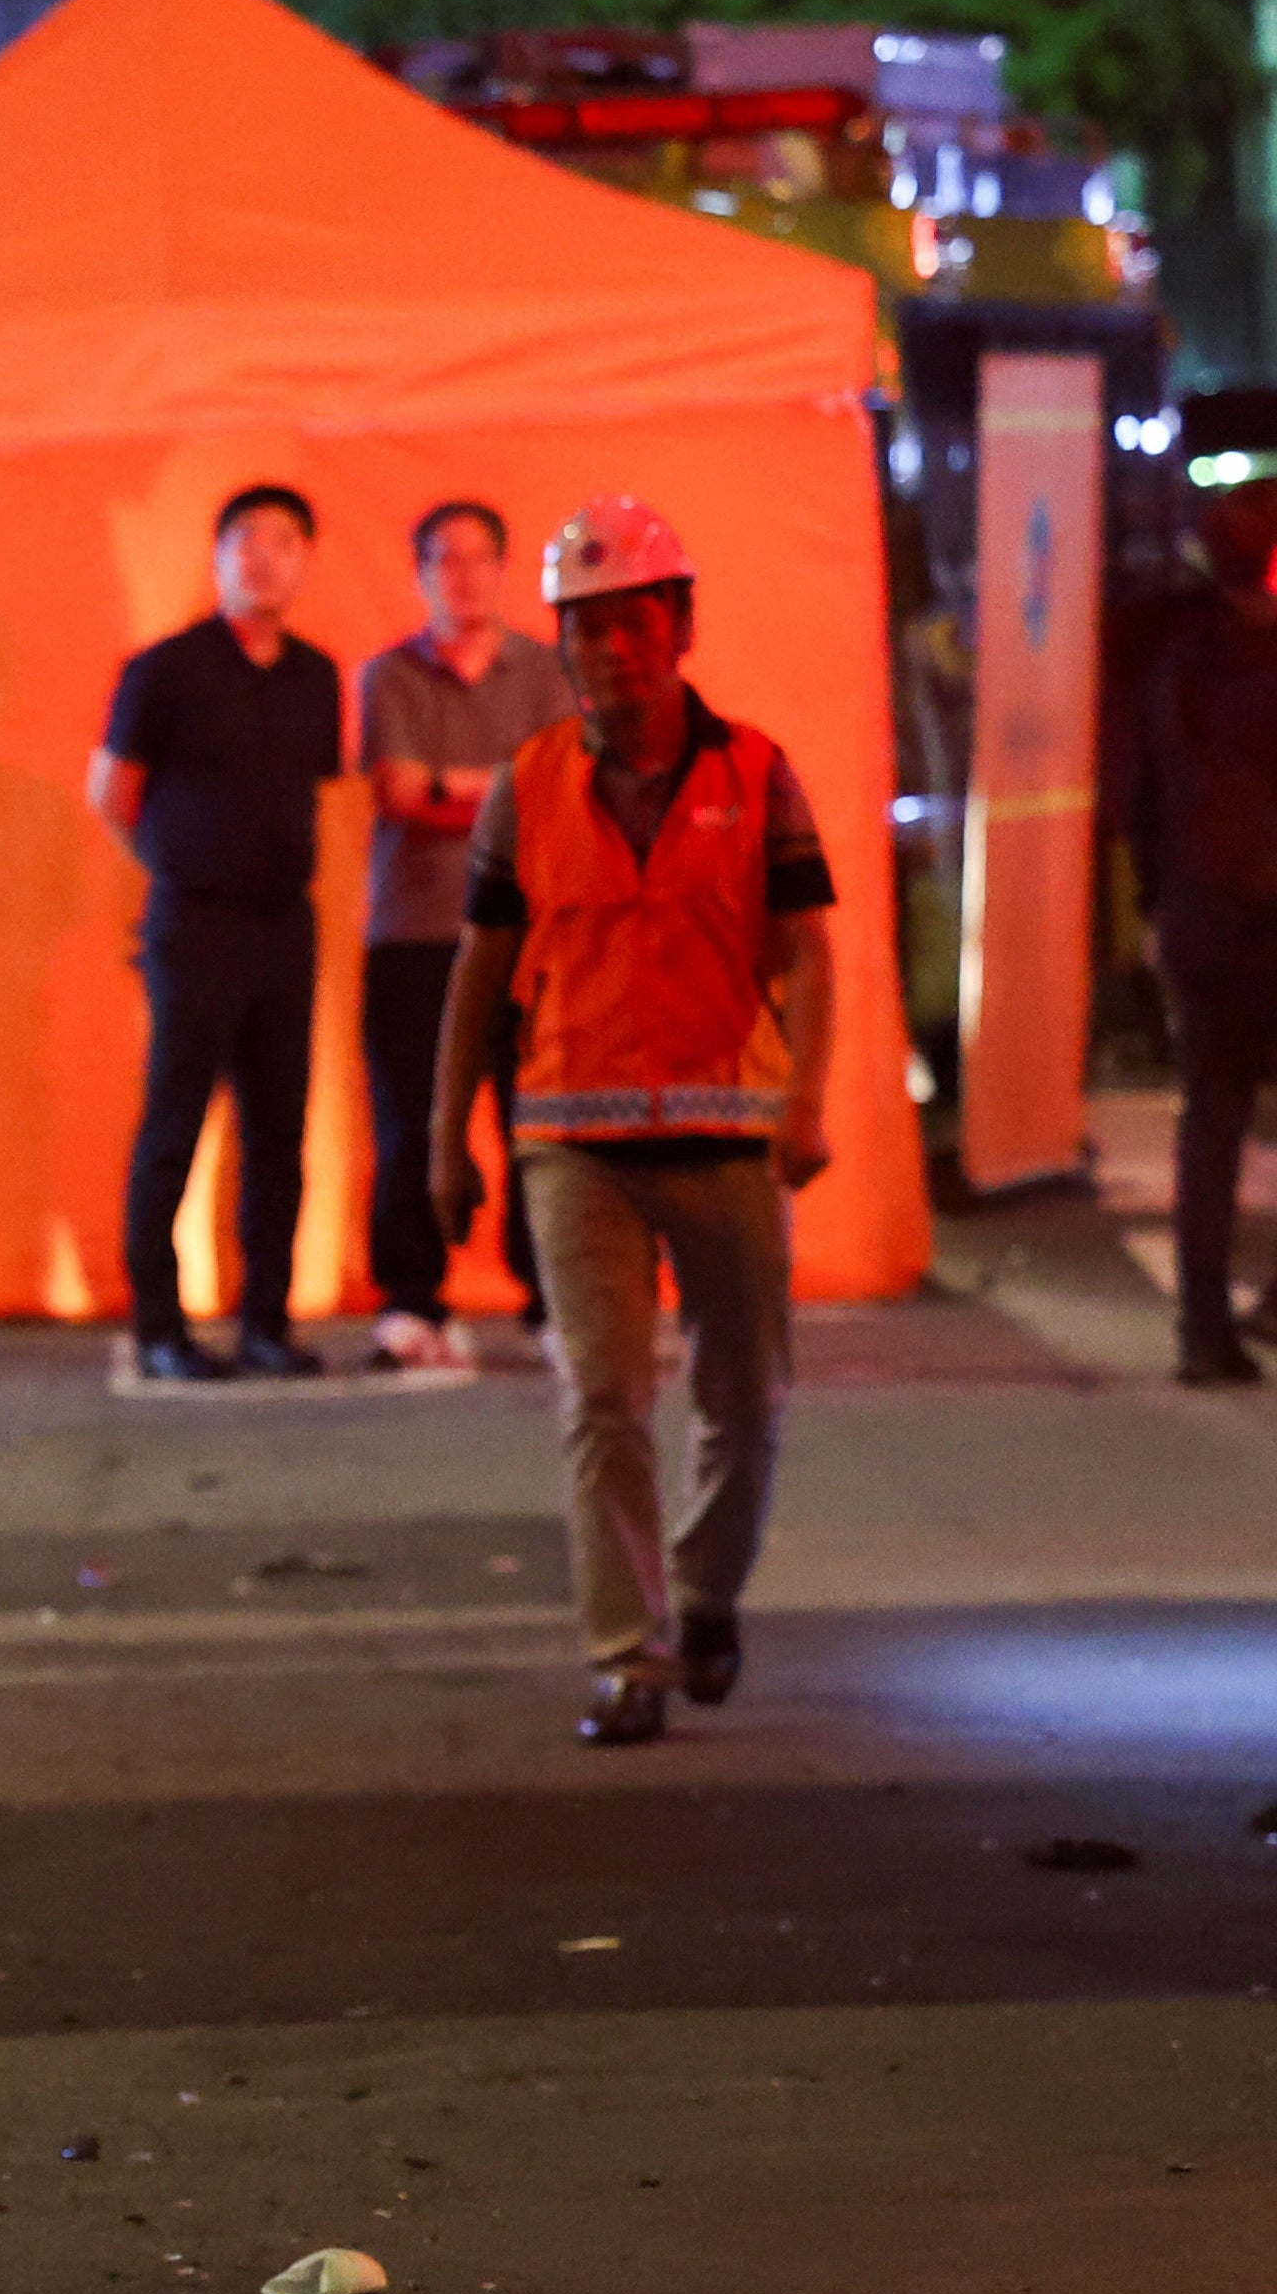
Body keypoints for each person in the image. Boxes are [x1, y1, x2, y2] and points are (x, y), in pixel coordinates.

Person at [426, 497, 836, 1749]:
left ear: (681, 625)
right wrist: (447, 1137)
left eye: (633, 623)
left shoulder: (756, 774)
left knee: (744, 1396)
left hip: (725, 1135)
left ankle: (706, 1597)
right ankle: (629, 1654)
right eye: (585, 628)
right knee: (601, 1396)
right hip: (572, 1142)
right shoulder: (528, 784)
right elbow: (479, 972)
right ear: (561, 640)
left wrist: (807, 1098)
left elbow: (810, 955)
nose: (611, 651)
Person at [89, 486, 342, 1380]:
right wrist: (176, 863)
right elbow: (110, 793)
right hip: (194, 922)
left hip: (285, 926)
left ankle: (268, 1321)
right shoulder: (164, 669)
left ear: (306, 559)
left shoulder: (317, 674)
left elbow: (307, 787)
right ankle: (160, 1328)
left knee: (279, 1130)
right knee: (175, 1123)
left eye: (283, 541)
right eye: (245, 540)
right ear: (217, 557)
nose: (263, 557)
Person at [1135, 479, 1277, 1384]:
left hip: (1198, 915)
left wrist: (1163, 905)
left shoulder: (1180, 663)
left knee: (1213, 1114)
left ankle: (1203, 1331)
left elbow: (1144, 802)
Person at [352, 504, 572, 1369]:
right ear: (421, 573)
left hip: (531, 935)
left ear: (504, 569)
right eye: (447, 561)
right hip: (413, 936)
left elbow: (559, 793)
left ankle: (552, 1297)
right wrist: (505, 787)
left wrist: (458, 785)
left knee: (539, 1122)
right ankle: (413, 1300)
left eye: (482, 559)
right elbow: (403, 796)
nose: (466, 576)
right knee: (411, 1121)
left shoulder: (549, 672)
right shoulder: (389, 676)